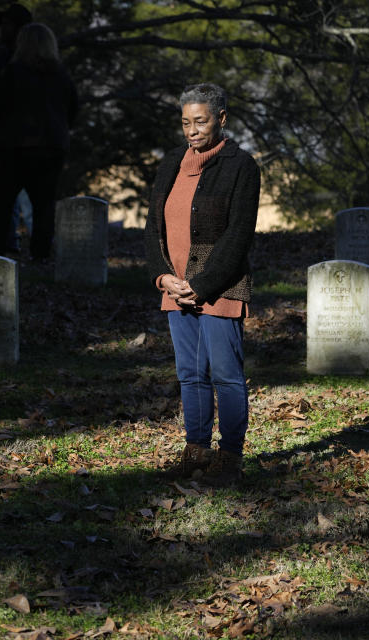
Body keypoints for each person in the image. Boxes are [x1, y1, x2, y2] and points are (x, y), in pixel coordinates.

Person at [143, 83, 260, 487]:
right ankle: (196, 450)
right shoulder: (171, 162)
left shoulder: (241, 166)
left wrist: (203, 283)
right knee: (190, 373)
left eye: (201, 121)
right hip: (174, 286)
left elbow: (239, 234)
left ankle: (229, 457)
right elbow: (153, 226)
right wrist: (162, 275)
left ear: (221, 119)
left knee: (225, 373)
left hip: (221, 285)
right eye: (185, 122)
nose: (192, 130)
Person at [0, 22, 77, 261]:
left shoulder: (12, 72)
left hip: (13, 147)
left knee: (1, 204)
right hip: (51, 147)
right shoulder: (61, 75)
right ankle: (41, 254)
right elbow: (72, 110)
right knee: (44, 205)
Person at [0, 3, 33, 252]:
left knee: (17, 196)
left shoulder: (19, 61)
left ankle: (12, 241)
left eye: (7, 25)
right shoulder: (5, 55)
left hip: (18, 139)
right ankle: (9, 240)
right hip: (8, 137)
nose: (2, 30)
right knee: (8, 198)